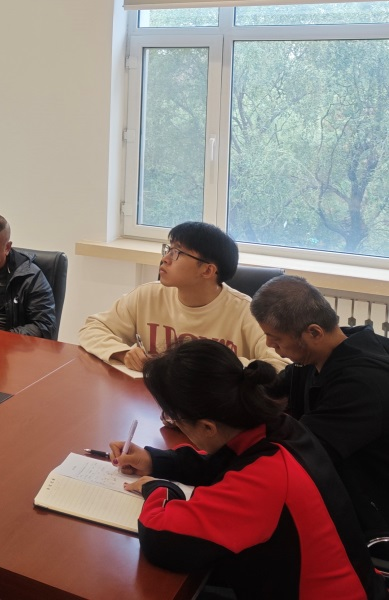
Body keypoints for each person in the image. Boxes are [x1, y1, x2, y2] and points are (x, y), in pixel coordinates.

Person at [111, 340, 378, 599]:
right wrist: (154, 461)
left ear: (207, 427)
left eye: (174, 419)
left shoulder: (265, 478)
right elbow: (221, 462)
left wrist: (158, 488)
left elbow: (162, 540)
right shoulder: (278, 428)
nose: (173, 424)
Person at [251, 274, 389, 538]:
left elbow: (299, 451)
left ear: (314, 332)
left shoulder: (361, 385)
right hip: (340, 486)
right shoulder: (317, 356)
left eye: (274, 337)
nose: (269, 345)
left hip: (370, 514)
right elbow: (269, 392)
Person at [79, 221, 284, 370]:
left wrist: (220, 366)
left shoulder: (246, 312)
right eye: (168, 250)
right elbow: (92, 328)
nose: (165, 259)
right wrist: (122, 353)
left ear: (207, 270)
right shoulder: (147, 295)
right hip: (154, 399)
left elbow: (281, 364)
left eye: (177, 253)